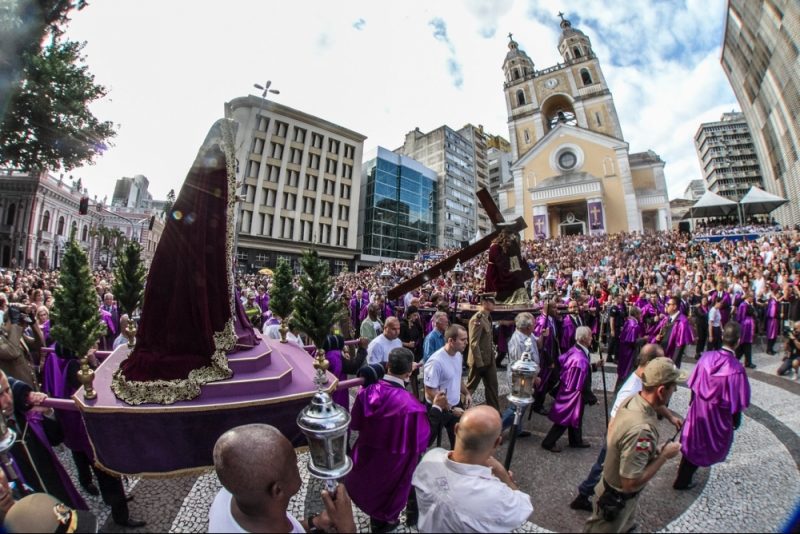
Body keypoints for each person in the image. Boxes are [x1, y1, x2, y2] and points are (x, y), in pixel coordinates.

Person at [570, 344, 682, 512]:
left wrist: (670, 416)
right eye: (659, 360)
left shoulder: (646, 380)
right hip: (618, 438)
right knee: (603, 467)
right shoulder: (631, 389)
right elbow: (614, 423)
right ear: (650, 363)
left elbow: (652, 399)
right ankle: (585, 495)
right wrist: (614, 449)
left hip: (625, 438)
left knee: (604, 467)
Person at [345, 348, 439, 532]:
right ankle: (384, 524)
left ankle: (377, 521)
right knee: (386, 499)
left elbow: (355, 423)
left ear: (387, 366)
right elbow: (424, 440)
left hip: (368, 456)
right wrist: (436, 408)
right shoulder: (412, 406)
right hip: (393, 465)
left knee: (371, 492)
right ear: (409, 373)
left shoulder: (368, 391)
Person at [210, 423, 356, 533]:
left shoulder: (227, 496)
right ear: (278, 490)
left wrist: (315, 523)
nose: (298, 462)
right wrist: (347, 528)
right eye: (293, 463)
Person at [412, 405, 533, 532]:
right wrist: (504, 476)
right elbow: (525, 506)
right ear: (497, 442)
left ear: (456, 429)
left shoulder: (430, 458)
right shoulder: (495, 495)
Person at [675, 322, 751, 490]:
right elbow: (737, 401)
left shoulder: (706, 358)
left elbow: (694, 385)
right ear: (738, 341)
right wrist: (735, 421)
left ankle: (683, 478)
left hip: (699, 408)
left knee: (694, 441)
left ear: (723, 336)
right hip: (718, 415)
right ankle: (683, 480)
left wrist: (693, 403)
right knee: (706, 444)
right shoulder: (736, 369)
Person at [541, 327, 599, 452]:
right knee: (564, 420)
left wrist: (594, 366)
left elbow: (578, 370)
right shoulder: (580, 358)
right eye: (590, 336)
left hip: (570, 389)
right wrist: (592, 398)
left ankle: (575, 440)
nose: (591, 338)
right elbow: (583, 382)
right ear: (583, 339)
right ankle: (548, 442)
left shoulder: (575, 350)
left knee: (575, 416)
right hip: (573, 393)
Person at [423, 325, 472, 448]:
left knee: (459, 443)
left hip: (455, 405)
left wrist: (466, 393)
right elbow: (429, 391)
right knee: (426, 442)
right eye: (463, 339)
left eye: (466, 339)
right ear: (451, 341)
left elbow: (457, 378)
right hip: (439, 408)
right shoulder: (436, 362)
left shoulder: (458, 355)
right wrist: (450, 409)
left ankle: (455, 464)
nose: (466, 343)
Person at [500, 312, 542, 438]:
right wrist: (534, 377)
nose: (535, 326)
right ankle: (497, 429)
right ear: (527, 327)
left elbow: (538, 344)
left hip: (527, 376)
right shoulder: (518, 341)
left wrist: (543, 336)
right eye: (533, 324)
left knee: (522, 406)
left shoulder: (527, 334)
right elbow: (521, 365)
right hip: (521, 377)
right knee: (516, 407)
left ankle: (516, 429)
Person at [484, 226, 533, 304]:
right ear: (506, 237)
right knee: (516, 278)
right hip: (496, 274)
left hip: (503, 270)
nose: (513, 242)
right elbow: (501, 264)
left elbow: (515, 259)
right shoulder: (495, 247)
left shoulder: (508, 246)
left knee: (518, 279)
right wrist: (513, 272)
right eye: (512, 239)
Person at [467, 294, 499, 412]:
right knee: (470, 388)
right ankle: (459, 409)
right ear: (484, 302)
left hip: (489, 359)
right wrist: (480, 364)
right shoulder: (478, 319)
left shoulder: (487, 317)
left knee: (493, 387)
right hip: (479, 361)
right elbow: (474, 343)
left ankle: (494, 413)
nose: (494, 303)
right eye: (492, 301)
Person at [651, 296, 695, 368]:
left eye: (668, 305)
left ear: (674, 306)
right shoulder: (667, 318)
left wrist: (673, 364)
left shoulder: (682, 322)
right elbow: (657, 333)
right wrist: (657, 338)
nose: (666, 306)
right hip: (661, 354)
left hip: (671, 358)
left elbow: (679, 346)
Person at [615, 307, 644, 387]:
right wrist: (643, 339)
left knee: (622, 375)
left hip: (624, 352)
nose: (641, 315)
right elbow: (632, 342)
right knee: (626, 375)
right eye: (640, 313)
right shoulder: (633, 325)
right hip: (629, 354)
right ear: (636, 314)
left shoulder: (629, 321)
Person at [735, 292, 757, 369]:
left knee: (747, 344)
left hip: (749, 327)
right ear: (748, 297)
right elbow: (740, 317)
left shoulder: (749, 305)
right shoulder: (743, 305)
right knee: (744, 344)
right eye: (752, 297)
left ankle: (748, 361)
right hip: (745, 327)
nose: (753, 298)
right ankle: (744, 361)